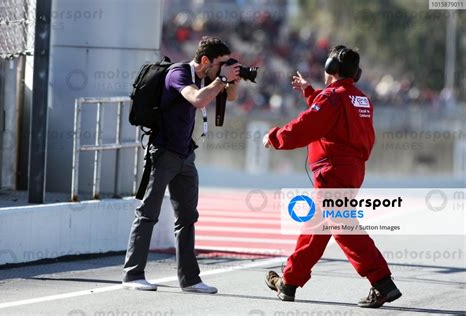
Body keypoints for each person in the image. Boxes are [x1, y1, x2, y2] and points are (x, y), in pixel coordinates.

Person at [262, 45, 402, 308]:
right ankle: (289, 283)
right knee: (317, 228)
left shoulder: (332, 99)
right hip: (351, 170)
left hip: (332, 172)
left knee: (343, 230)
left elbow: (307, 125)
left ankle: (383, 283)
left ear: (330, 68)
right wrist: (309, 92)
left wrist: (275, 137)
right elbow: (332, 112)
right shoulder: (359, 99)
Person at [122, 37, 240, 293]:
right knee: (147, 214)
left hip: (185, 155)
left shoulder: (207, 77)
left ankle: (190, 280)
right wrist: (221, 79)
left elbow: (230, 96)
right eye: (219, 63)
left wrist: (231, 79)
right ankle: (133, 275)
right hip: (163, 153)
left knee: (187, 218)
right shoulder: (178, 73)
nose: (221, 69)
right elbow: (197, 99)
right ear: (206, 60)